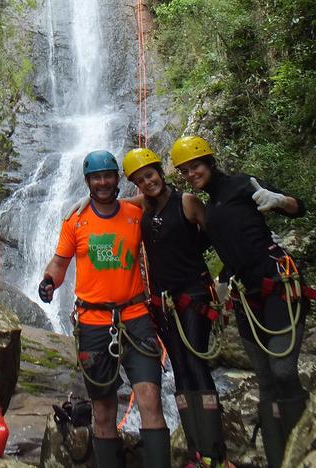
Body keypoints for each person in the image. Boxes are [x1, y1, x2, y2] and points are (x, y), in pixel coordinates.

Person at [170, 135, 308, 468]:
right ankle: (279, 459)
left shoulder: (243, 184)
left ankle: (303, 450)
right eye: (185, 171)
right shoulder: (207, 209)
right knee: (264, 377)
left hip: (278, 284)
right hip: (246, 296)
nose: (192, 175)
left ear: (209, 162)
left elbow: (297, 207)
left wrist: (278, 201)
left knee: (283, 370)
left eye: (196, 166)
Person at [38, 149, 171, 468]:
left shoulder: (134, 212)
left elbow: (161, 198)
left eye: (108, 176)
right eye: (96, 177)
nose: (102, 183)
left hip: (137, 319)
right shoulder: (76, 219)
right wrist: (48, 282)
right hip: (93, 324)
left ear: (117, 180)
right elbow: (60, 262)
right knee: (103, 409)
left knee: (151, 400)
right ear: (87, 181)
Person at [123, 147, 229, 468]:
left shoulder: (186, 202)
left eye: (150, 174)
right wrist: (85, 202)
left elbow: (221, 236)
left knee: (196, 364)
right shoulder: (143, 206)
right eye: (140, 180)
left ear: (160, 171)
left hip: (192, 296)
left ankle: (215, 452)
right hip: (162, 302)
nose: (148, 182)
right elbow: (110, 205)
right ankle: (197, 451)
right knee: (180, 370)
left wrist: (225, 277)